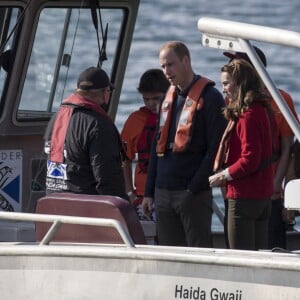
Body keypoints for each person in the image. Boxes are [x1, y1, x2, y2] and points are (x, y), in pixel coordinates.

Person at [142, 41, 226, 247]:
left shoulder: (211, 98)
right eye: (163, 66)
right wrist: (149, 192)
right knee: (169, 253)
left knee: (199, 251)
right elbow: (156, 147)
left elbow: (215, 149)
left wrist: (194, 188)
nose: (166, 71)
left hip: (191, 193)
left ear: (186, 60)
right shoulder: (167, 99)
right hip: (163, 193)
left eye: (170, 64)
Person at [223, 47, 299, 249]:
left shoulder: (282, 100)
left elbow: (287, 149)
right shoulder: (230, 102)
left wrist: (277, 186)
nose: (231, 70)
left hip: (269, 192)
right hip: (238, 190)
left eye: (236, 66)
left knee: (271, 248)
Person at [209, 59, 279, 250]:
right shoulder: (263, 109)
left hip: (244, 198)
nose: (223, 89)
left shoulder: (247, 115)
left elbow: (250, 158)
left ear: (240, 83)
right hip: (263, 197)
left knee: (240, 257)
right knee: (259, 256)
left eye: (226, 83)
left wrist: (224, 175)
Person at [44, 66, 127, 199]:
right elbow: (107, 177)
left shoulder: (56, 118)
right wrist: (122, 207)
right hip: (85, 208)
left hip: (54, 205)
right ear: (105, 92)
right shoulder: (98, 125)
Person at [121, 69, 170, 219]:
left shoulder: (178, 117)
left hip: (170, 192)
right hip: (142, 196)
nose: (150, 104)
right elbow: (124, 158)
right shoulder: (135, 120)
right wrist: (130, 193)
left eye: (156, 98)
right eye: (146, 99)